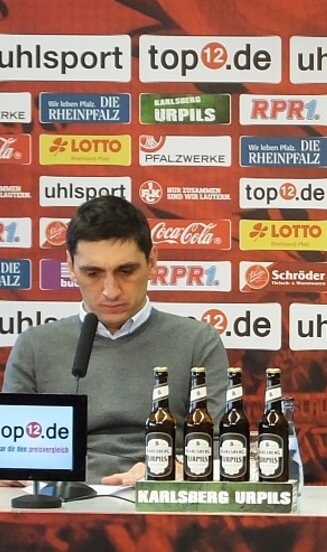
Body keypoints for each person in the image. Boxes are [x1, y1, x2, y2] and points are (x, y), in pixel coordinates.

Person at [1, 196, 228, 486]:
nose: (111, 291)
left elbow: (223, 442)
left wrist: (175, 468)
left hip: (159, 495)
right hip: (63, 499)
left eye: (126, 271)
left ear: (152, 262)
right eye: (93, 273)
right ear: (70, 266)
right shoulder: (34, 346)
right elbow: (14, 453)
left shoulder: (198, 341)